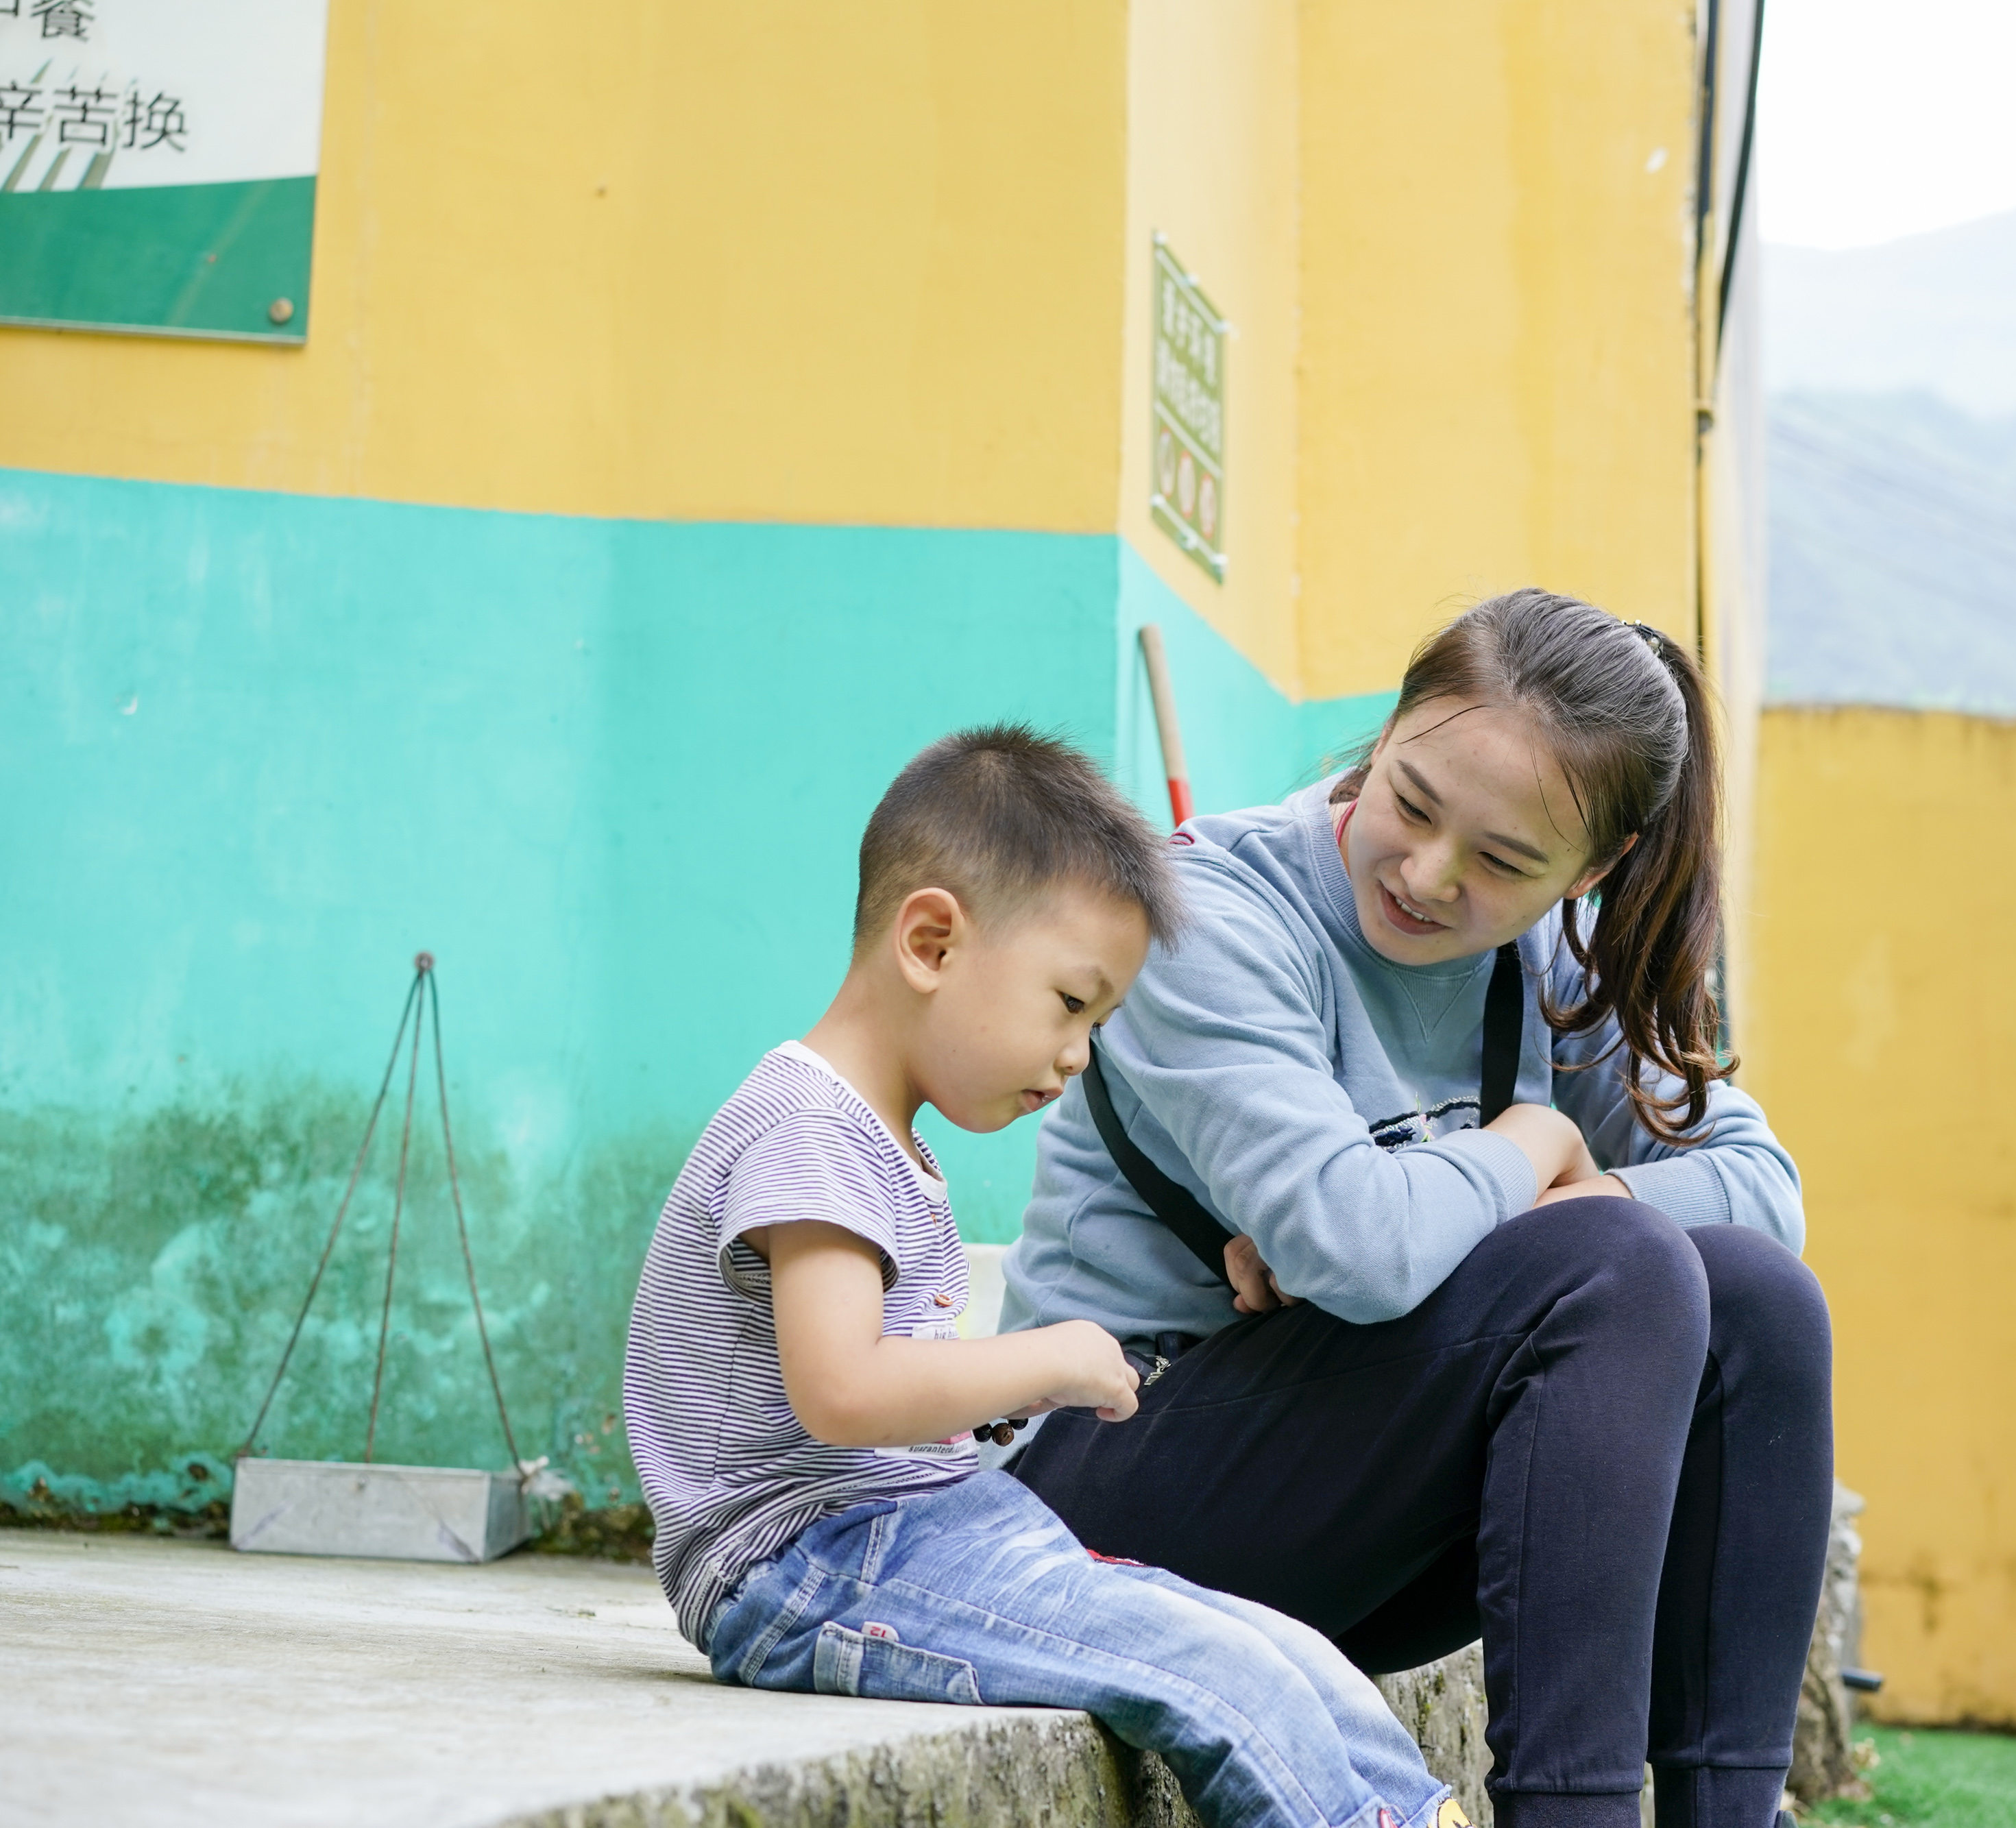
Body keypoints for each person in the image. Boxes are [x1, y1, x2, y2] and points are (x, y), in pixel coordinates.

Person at [1000, 592, 1834, 1828]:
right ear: (1386, 732)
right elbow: (1357, 1243)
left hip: (1348, 1515)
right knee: (1612, 1261)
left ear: (1591, 870)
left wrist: (1488, 1203)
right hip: (1104, 1489)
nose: (1427, 874)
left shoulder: (1548, 966)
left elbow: (1765, 1189)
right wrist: (1531, 1143)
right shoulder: (1209, 913)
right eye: (1412, 801)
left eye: (1504, 862)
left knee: (1757, 1300)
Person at [622, 727, 1457, 1828]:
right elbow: (843, 1390)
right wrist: (1042, 1360)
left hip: (900, 1528)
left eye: (1098, 1022)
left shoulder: (870, 1133)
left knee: (1273, 1644)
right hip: (805, 1562)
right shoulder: (813, 1128)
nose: (1079, 1054)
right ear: (931, 942)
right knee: (1210, 1670)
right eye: (1071, 1003)